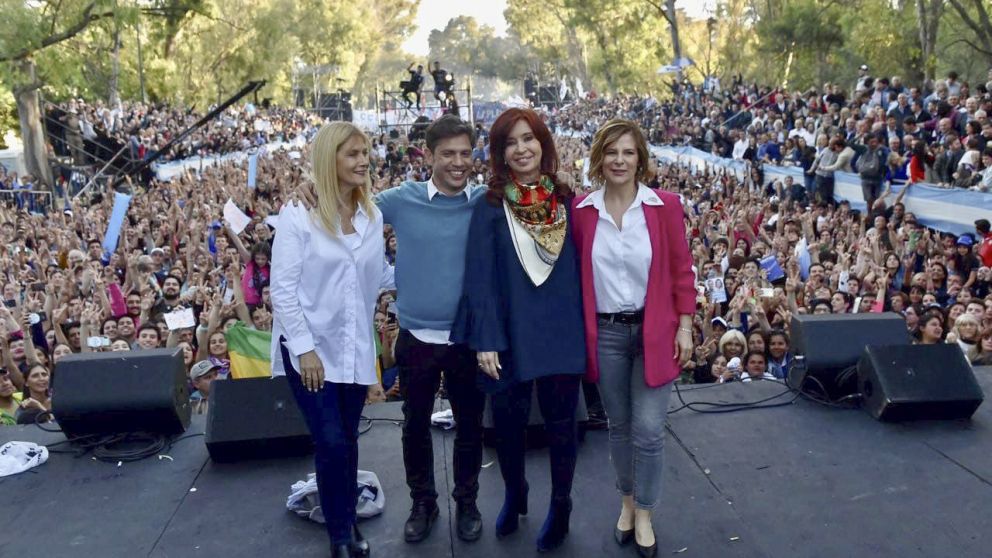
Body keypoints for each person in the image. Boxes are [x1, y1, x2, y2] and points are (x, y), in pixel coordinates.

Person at [295, 115, 488, 545]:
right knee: (414, 424)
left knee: (471, 424)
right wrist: (310, 188)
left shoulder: (484, 203)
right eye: (448, 154)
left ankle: (468, 501)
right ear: (429, 156)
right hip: (416, 338)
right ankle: (424, 503)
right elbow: (348, 200)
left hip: (467, 340)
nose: (458, 163)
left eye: (465, 154)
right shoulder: (399, 200)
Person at [452, 108, 585, 552]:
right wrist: (485, 337)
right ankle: (515, 492)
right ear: (500, 153)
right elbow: (479, 276)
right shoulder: (488, 206)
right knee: (508, 427)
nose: (521, 148)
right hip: (507, 335)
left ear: (543, 144)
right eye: (511, 142)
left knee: (562, 426)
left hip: (560, 330)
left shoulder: (567, 200)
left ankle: (561, 504)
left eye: (529, 139)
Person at [571, 119, 695, 558]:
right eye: (611, 152)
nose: (619, 160)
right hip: (604, 333)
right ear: (599, 159)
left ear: (640, 158)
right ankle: (625, 503)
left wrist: (684, 324)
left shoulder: (666, 207)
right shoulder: (581, 212)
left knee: (648, 429)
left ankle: (645, 511)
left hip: (655, 331)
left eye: (627, 152)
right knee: (619, 428)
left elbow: (682, 270)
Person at [271, 121, 392, 558]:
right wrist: (304, 348)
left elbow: (377, 277)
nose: (364, 161)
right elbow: (282, 290)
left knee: (349, 438)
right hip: (309, 351)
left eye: (366, 153)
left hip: (354, 348)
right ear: (330, 160)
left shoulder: (372, 216)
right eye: (353, 154)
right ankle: (340, 535)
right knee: (331, 440)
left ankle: (346, 519)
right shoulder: (297, 214)